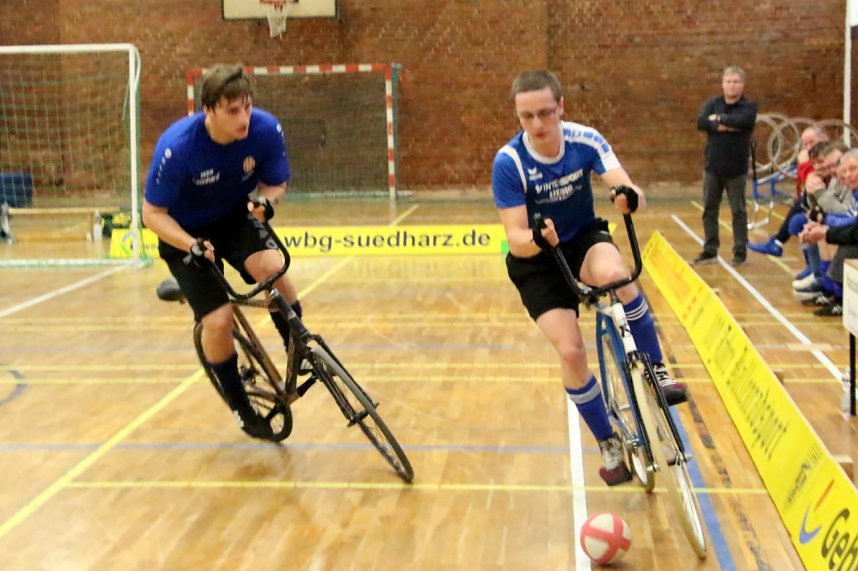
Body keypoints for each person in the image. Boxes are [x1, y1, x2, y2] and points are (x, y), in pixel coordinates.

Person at [491, 69, 688, 487]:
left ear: (561, 106)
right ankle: (608, 441)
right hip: (537, 260)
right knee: (571, 351)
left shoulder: (586, 140)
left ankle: (656, 369)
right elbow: (515, 238)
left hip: (582, 240)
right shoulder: (509, 163)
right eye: (526, 117)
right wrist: (540, 241)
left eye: (545, 112)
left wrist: (628, 197)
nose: (538, 125)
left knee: (617, 274)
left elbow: (628, 189)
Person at [142, 64, 302, 439]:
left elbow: (275, 182)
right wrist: (191, 245)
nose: (243, 117)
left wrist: (267, 201)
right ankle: (240, 406)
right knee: (218, 319)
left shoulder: (265, 129)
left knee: (273, 266)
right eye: (233, 110)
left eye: (247, 106)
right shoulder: (177, 148)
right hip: (184, 233)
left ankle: (298, 343)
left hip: (231, 217)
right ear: (209, 110)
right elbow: (152, 214)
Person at [693, 66, 758, 266]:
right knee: (709, 209)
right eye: (728, 81)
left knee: (738, 211)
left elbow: (744, 121)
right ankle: (710, 250)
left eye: (736, 82)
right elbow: (702, 122)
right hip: (713, 166)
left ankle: (740, 251)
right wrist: (729, 125)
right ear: (723, 83)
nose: (732, 85)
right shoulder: (712, 103)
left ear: (742, 85)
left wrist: (720, 120)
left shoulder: (749, 106)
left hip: (736, 168)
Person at [748, 125, 828, 259]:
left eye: (812, 142)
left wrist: (804, 166)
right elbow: (805, 183)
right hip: (814, 203)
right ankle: (780, 244)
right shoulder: (808, 157)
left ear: (824, 138)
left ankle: (815, 270)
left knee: (801, 219)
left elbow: (812, 182)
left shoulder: (827, 156)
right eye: (805, 144)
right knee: (800, 212)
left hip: (828, 207)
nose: (808, 147)